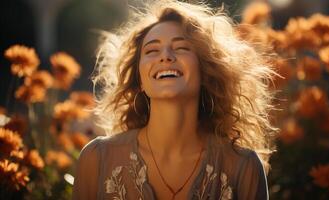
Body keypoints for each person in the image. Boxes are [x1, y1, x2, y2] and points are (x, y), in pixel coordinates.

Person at [72, 0, 277, 199]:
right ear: (140, 80)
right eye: (152, 50)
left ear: (205, 71)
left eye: (181, 47)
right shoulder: (97, 159)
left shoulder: (243, 166)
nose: (166, 56)